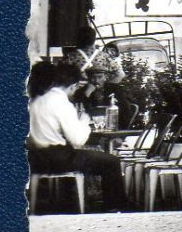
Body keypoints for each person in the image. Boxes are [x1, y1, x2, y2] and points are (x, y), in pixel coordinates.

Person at [27, 60, 128, 211]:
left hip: (35, 159)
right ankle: (115, 208)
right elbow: (78, 140)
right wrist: (85, 121)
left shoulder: (36, 100)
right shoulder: (60, 102)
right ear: (73, 86)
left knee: (87, 157)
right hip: (57, 159)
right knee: (111, 161)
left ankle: (74, 202)